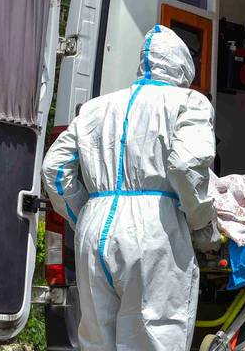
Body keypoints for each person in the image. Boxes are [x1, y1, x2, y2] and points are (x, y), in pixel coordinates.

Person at [41, 25, 216, 350]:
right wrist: (201, 220)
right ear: (182, 69)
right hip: (154, 231)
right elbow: (186, 166)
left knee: (96, 341)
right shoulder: (189, 102)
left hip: (95, 231)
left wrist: (84, 215)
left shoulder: (95, 107)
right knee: (154, 334)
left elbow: (54, 169)